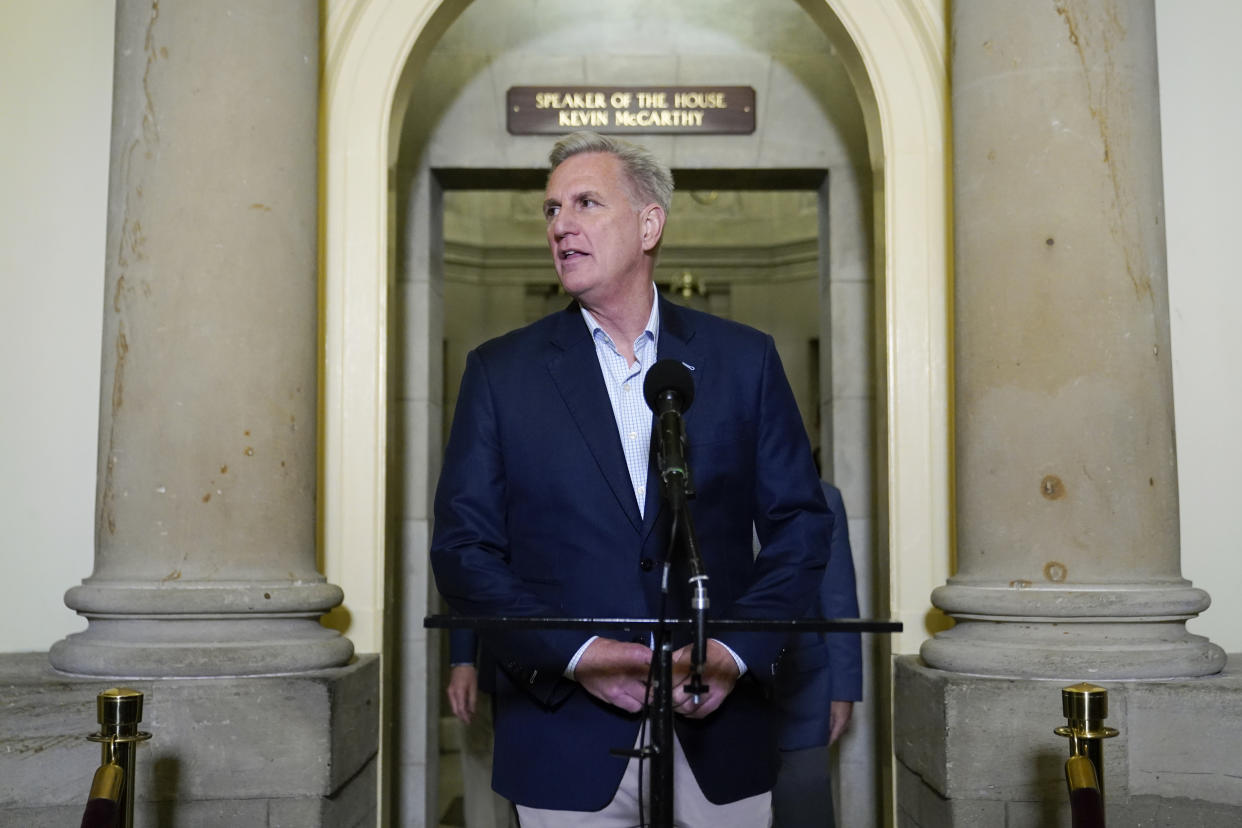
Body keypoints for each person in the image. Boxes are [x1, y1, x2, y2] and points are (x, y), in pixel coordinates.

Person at [429, 131, 832, 826]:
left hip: (720, 733)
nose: (561, 226)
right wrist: (579, 653)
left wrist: (734, 653)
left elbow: (801, 525)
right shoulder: (500, 373)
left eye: (586, 203)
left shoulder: (745, 361)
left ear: (649, 224)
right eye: (551, 210)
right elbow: (463, 549)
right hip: (564, 735)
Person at [771, 482, 862, 828]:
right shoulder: (699, 486)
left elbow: (838, 598)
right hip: (719, 687)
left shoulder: (825, 498)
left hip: (803, 687)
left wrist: (843, 688)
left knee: (804, 806)